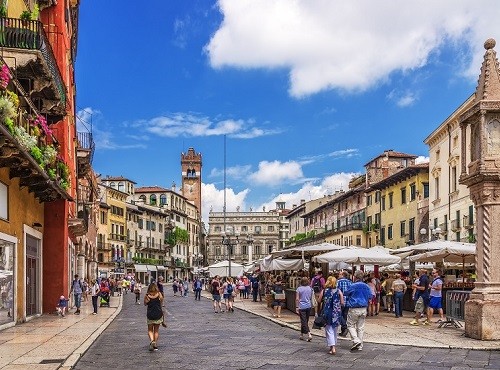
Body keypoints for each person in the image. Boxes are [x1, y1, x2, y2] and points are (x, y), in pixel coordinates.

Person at [344, 270, 372, 352]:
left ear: (355, 277)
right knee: (360, 327)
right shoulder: (366, 286)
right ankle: (360, 346)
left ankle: (356, 340)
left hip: (354, 307)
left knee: (350, 325)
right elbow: (370, 296)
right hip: (363, 308)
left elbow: (345, 293)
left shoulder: (353, 285)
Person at [320, 276, 344, 355]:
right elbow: (342, 302)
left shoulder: (324, 291)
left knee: (329, 330)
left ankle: (332, 347)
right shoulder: (339, 291)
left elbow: (319, 300)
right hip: (336, 313)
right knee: (335, 330)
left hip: (327, 312)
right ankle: (332, 347)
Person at [144, 282, 164, 351]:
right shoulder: (159, 294)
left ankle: (152, 341)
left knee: (150, 330)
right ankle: (155, 344)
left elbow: (145, 303)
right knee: (156, 330)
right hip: (158, 314)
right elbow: (161, 302)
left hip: (150, 314)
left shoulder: (147, 295)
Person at [295, 276, 313, 342]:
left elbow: (297, 299)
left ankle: (309, 334)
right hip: (308, 306)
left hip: (301, 306)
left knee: (303, 321)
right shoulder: (310, 288)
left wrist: (297, 307)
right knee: (305, 321)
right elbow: (310, 297)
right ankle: (301, 334)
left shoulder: (299, 289)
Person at [336, 271, 352, 337]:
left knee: (339, 314)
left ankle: (344, 327)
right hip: (348, 301)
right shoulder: (350, 282)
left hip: (340, 301)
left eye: (339, 274)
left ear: (343, 275)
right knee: (345, 315)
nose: (338, 275)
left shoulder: (338, 282)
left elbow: (337, 291)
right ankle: (343, 330)